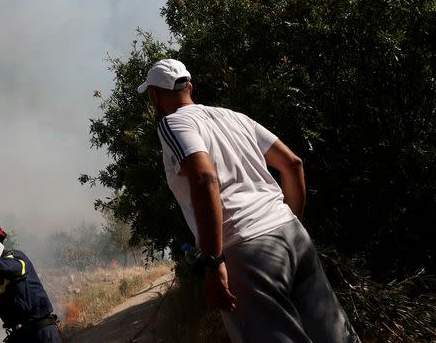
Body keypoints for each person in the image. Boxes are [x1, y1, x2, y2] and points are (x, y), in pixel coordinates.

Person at [138, 58, 360, 343]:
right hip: (292, 233)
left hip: (246, 249)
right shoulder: (234, 117)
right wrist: (287, 226)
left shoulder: (172, 124)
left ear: (155, 96)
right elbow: (292, 164)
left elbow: (204, 178)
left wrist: (213, 260)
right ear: (191, 87)